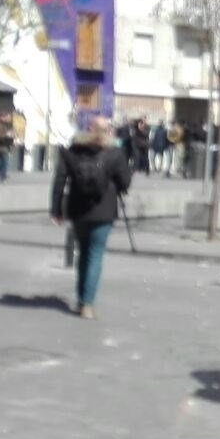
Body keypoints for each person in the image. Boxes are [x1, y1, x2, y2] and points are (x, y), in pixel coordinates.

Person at [50, 115, 132, 319]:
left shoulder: (72, 151)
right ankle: (87, 304)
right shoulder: (114, 153)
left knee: (83, 253)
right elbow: (125, 182)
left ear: (88, 129)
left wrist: (56, 210)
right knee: (95, 255)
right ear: (107, 131)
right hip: (104, 210)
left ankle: (81, 300)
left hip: (77, 209)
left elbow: (60, 180)